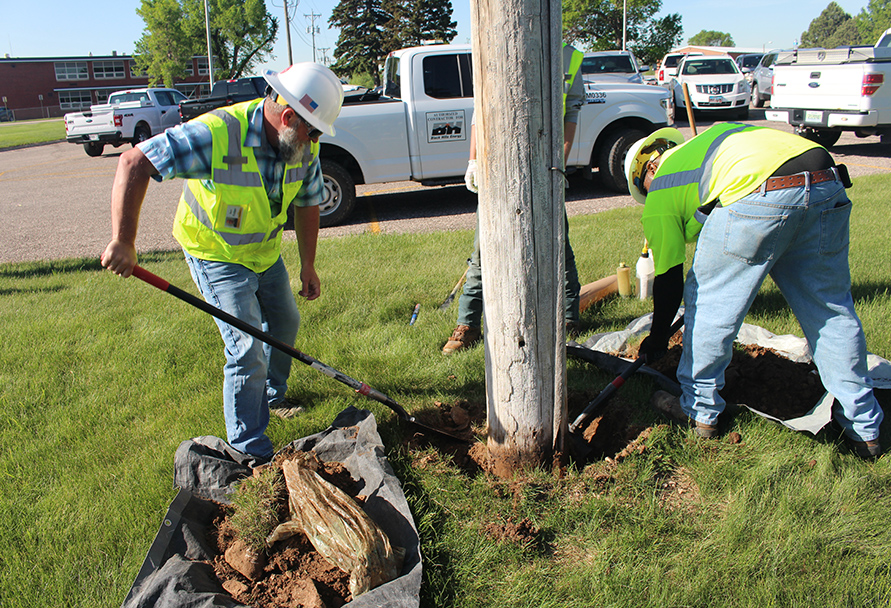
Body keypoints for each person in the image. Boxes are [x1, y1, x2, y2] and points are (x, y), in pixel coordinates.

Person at [100, 63, 345, 460]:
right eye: (313, 130)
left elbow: (307, 202)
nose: (315, 140)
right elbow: (133, 162)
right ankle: (249, 449)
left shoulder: (301, 146)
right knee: (246, 345)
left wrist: (308, 265)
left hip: (262, 252)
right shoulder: (215, 134)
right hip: (216, 254)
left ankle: (271, 396)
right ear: (287, 118)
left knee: (285, 323)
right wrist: (124, 241)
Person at [625, 124, 884, 458]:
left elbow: (669, 280)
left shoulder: (661, 188)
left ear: (648, 169)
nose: (647, 197)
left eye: (641, 189)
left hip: (756, 190)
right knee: (830, 309)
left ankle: (699, 413)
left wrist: (657, 340)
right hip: (825, 178)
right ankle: (864, 429)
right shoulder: (711, 144)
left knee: (708, 305)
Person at [442, 42, 585, 354]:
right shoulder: (496, 41)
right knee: (484, 248)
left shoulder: (569, 57)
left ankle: (569, 317)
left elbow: (571, 111)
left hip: (545, 163)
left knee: (556, 242)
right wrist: (474, 160)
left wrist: (558, 164)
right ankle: (468, 323)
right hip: (500, 163)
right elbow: (479, 111)